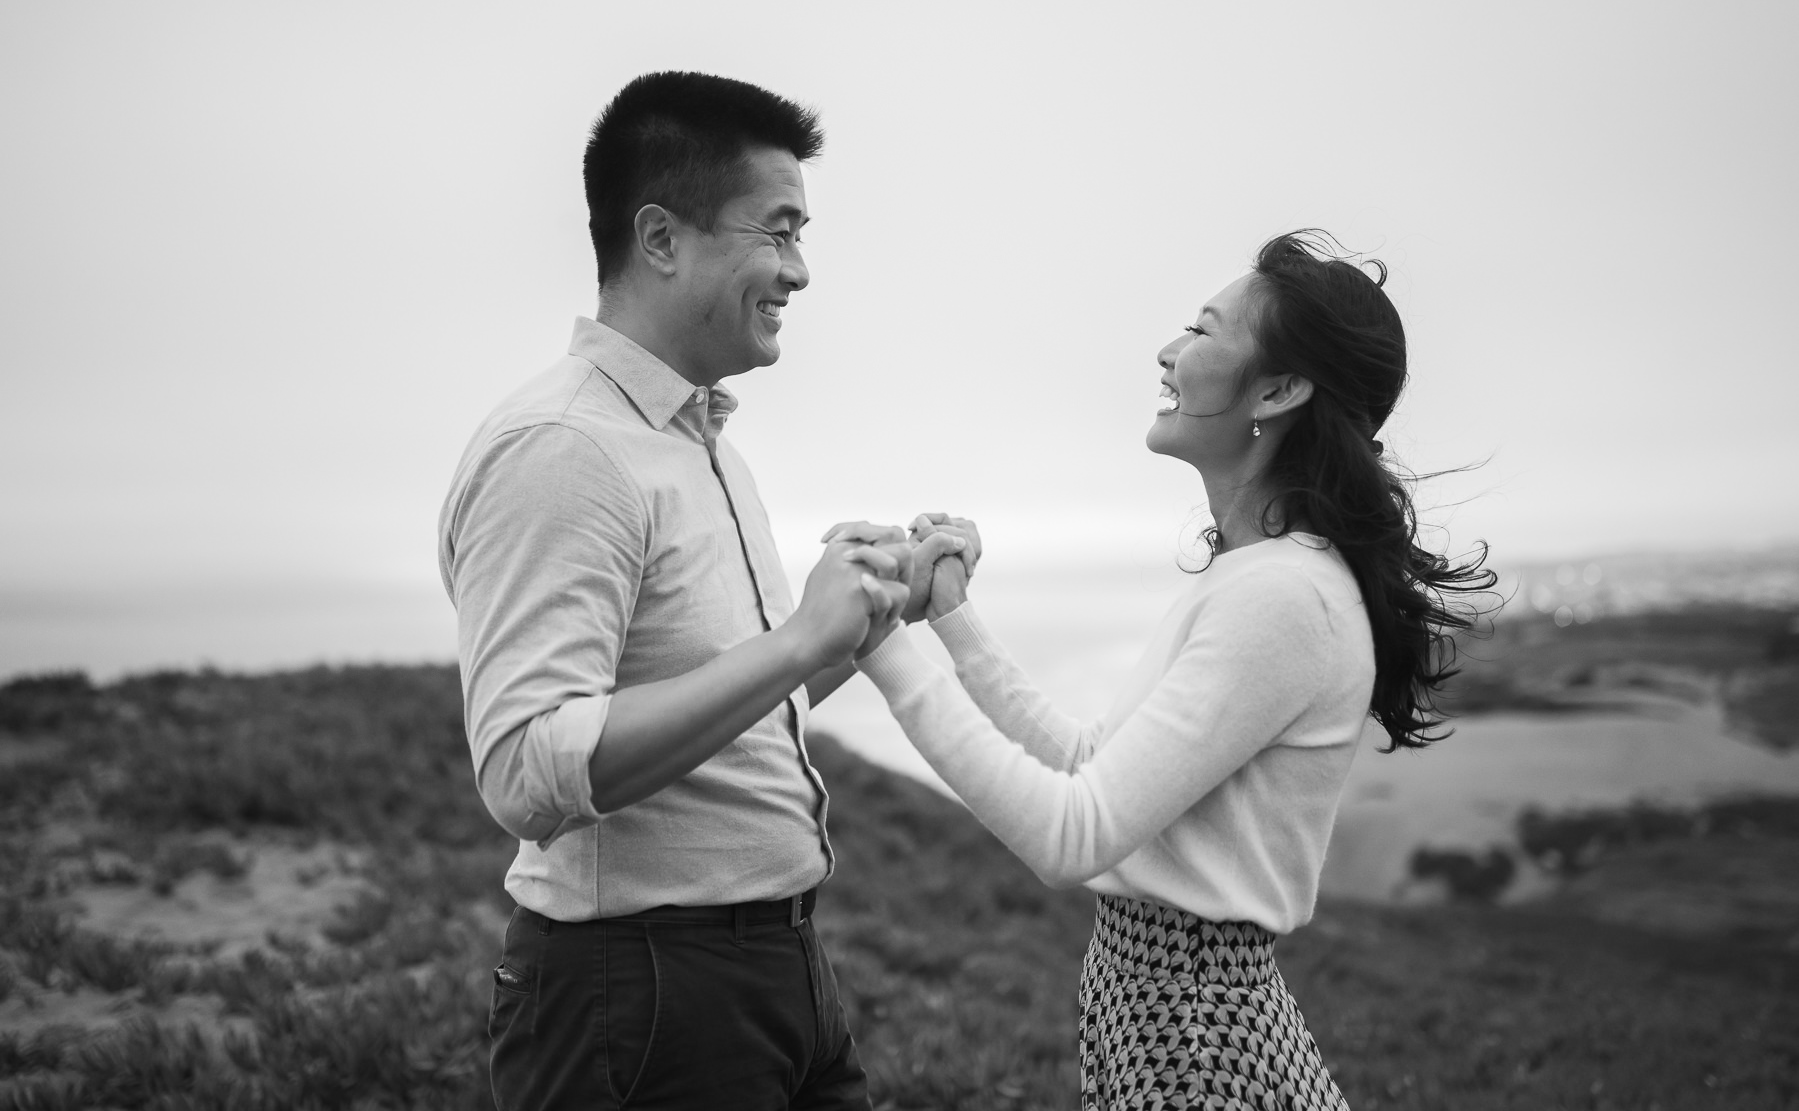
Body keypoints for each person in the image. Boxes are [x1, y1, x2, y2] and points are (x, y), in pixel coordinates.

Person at [840, 232, 1494, 1110]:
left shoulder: (1285, 597)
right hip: (1160, 1007)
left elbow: (1070, 836)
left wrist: (880, 646)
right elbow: (1090, 760)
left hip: (1193, 1034)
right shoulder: (1256, 576)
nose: (1167, 350)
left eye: (1201, 329)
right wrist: (951, 617)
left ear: (1277, 389)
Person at [437, 71, 962, 1111]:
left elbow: (732, 708)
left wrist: (860, 621)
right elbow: (525, 769)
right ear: (662, 238)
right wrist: (793, 641)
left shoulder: (699, 441)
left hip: (779, 972)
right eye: (776, 232)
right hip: (635, 994)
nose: (798, 272)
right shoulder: (566, 448)